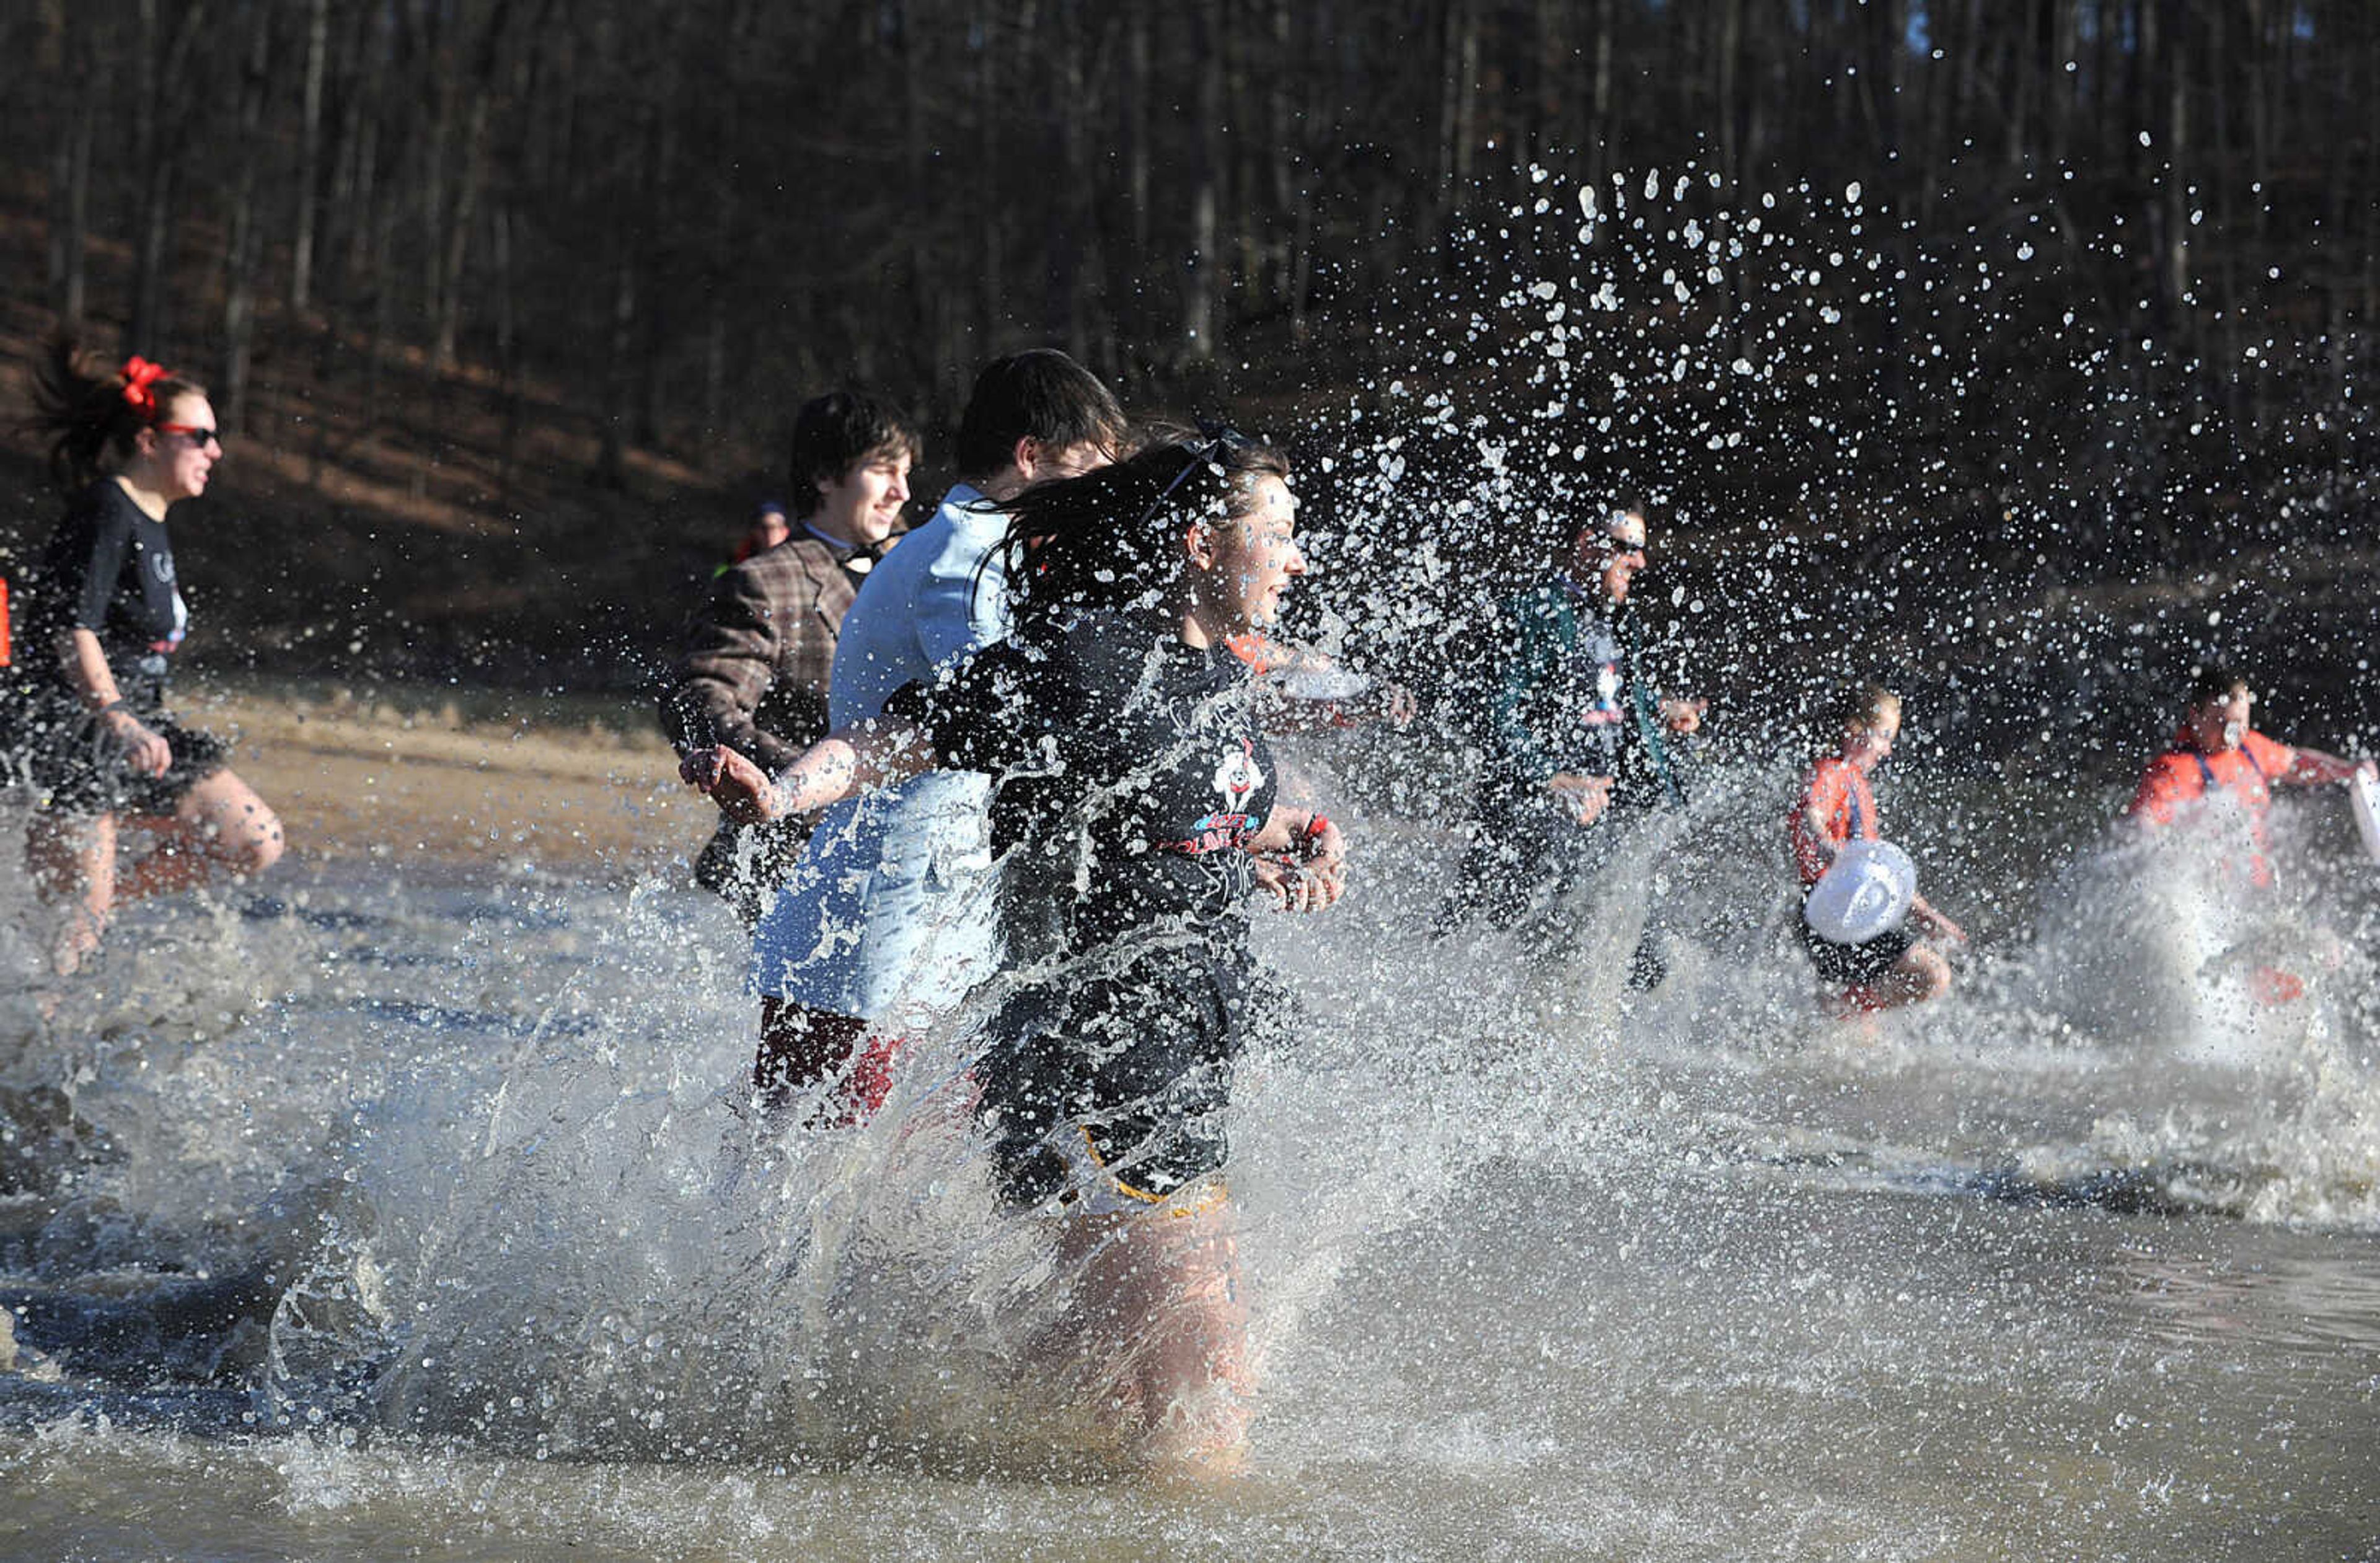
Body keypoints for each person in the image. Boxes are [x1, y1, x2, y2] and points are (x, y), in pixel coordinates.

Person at [687, 428, 1345, 1476]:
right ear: (1203, 544)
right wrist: (781, 793)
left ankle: (883, 1437)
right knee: (1210, 1399)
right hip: (1097, 1075)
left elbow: (1202, 806)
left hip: (1182, 1064)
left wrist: (1293, 839)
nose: (1299, 560)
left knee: (1111, 1389)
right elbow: (902, 734)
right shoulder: (1085, 661)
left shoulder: (1213, 670)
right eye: (1282, 535)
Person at [745, 351, 1124, 1122]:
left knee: (822, 1181)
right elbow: (1009, 719)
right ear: (1031, 456)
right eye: (1091, 468)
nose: (1102, 493)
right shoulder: (966, 557)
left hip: (910, 916)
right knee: (812, 1180)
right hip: (884, 921)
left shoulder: (981, 546)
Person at [6, 341, 284, 977]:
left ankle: (82, 907)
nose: (216, 450)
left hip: (133, 734)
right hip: (73, 734)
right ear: (152, 440)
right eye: (201, 435)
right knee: (67, 947)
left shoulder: (150, 520)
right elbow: (69, 628)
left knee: (253, 840)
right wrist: (118, 718)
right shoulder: (107, 508)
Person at [659, 392, 917, 927]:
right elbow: (699, 699)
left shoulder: (922, 566)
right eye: (883, 471)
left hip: (910, 858)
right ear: (826, 476)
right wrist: (798, 784)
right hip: (790, 859)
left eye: (907, 474)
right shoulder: (763, 582)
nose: (902, 492)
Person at [1433, 506, 1704, 981]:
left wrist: (1660, 711)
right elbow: (1488, 711)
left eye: (1640, 550)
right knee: (1501, 955)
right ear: (1586, 544)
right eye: (1627, 548)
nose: (1639, 563)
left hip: (1605, 821)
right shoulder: (1535, 611)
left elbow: (1605, 695)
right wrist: (1550, 778)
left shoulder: (1618, 618)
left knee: (1645, 967)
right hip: (1535, 822)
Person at [1789, 684, 1962, 1013]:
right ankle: (1852, 1008)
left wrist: (1924, 912)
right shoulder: (1830, 772)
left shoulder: (1857, 784)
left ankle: (1847, 1014)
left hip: (1844, 913)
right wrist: (1825, 842)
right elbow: (1813, 810)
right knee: (1932, 974)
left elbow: (1876, 869)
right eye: (1883, 736)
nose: (1887, 750)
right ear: (1854, 730)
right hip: (1833, 913)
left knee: (1855, 1045)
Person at [2127, 665, 2374, 892]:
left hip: (2259, 894)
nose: (2230, 736)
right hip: (2213, 902)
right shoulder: (2173, 770)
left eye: (2238, 724)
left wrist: (2347, 770)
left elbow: (2296, 763)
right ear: (2195, 715)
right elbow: (2143, 825)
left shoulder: (2250, 748)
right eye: (2221, 723)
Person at [716, 498, 791, 576]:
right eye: (763, 527)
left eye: (774, 527)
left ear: (785, 531)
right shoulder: (735, 563)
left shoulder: (796, 559)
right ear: (754, 532)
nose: (769, 533)